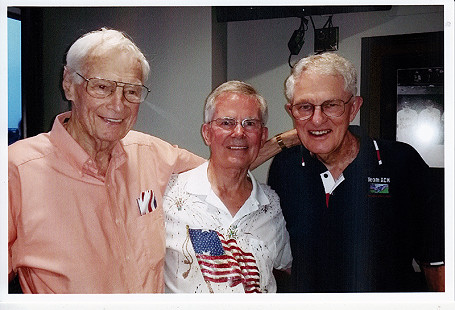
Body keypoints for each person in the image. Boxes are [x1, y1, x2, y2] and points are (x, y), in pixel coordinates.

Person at [8, 28, 297, 294]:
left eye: (131, 91)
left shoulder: (152, 155)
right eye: (102, 87)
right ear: (69, 85)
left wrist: (295, 138)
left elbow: (228, 163)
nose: (118, 105)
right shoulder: (17, 171)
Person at [267, 53, 445, 292]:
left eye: (331, 105)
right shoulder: (285, 167)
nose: (317, 119)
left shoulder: (401, 163)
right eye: (305, 107)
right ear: (291, 111)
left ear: (353, 108)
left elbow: (435, 262)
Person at [163, 81, 292, 293]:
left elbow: (286, 267)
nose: (239, 132)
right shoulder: (169, 195)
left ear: (262, 136)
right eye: (227, 123)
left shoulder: (272, 206)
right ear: (207, 133)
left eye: (250, 123)